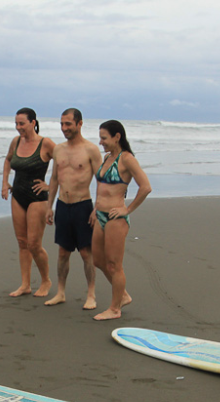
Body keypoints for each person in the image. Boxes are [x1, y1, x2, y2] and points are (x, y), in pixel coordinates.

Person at [92, 120, 152, 321]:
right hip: (100, 215)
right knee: (98, 260)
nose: (101, 142)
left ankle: (115, 308)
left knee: (114, 265)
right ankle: (123, 295)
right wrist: (95, 208)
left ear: (117, 137)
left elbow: (145, 187)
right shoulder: (107, 158)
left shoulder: (127, 159)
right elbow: (101, 188)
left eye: (104, 138)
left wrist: (127, 209)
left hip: (115, 218)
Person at [44, 108, 102, 310]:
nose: (64, 128)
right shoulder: (58, 149)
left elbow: (101, 181)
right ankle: (60, 292)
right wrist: (49, 206)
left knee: (86, 252)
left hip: (83, 206)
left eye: (68, 124)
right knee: (62, 252)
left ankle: (91, 294)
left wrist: (97, 208)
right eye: (61, 124)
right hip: (62, 205)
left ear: (80, 124)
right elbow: (54, 179)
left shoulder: (91, 150)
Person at [1, 107, 55, 297]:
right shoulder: (16, 141)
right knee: (22, 242)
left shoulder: (46, 143)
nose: (18, 127)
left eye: (22, 123)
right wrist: (4, 182)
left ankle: (46, 280)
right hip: (18, 195)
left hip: (37, 198)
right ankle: (25, 285)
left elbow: (63, 163)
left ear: (33, 123)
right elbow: (8, 160)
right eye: (16, 123)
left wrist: (50, 186)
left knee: (33, 244)